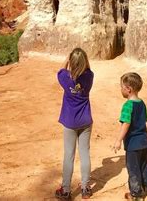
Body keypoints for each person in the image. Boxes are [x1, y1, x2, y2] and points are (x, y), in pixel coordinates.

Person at [55, 48, 94, 200]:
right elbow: (88, 69)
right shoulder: (89, 76)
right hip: (85, 121)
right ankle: (85, 188)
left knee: (68, 156)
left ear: (71, 62)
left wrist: (67, 59)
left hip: (69, 121)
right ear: (85, 62)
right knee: (85, 154)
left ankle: (66, 190)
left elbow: (61, 70)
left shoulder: (65, 77)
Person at [113, 72, 147, 201]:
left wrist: (118, 140)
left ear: (128, 89)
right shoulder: (142, 103)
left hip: (133, 144)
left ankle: (136, 194)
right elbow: (146, 118)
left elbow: (126, 124)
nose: (120, 89)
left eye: (121, 87)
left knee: (133, 169)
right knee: (144, 165)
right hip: (144, 141)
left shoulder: (128, 105)